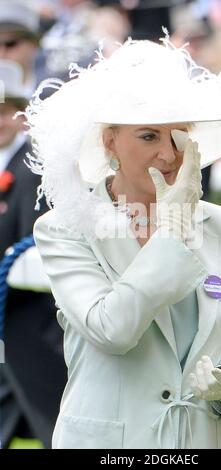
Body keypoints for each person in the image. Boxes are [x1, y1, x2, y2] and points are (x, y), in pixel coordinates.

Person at [27, 33, 221, 449]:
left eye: (178, 136)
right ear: (110, 142)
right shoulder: (65, 228)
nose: (168, 155)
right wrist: (172, 232)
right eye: (148, 136)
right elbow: (112, 329)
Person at [0, 59, 67, 448]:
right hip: (8, 317)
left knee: (52, 419)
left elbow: (34, 242)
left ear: (21, 117)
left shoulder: (32, 169)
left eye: (6, 112)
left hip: (29, 321)